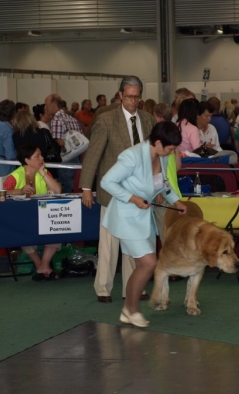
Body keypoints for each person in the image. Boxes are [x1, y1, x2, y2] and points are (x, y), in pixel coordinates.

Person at [100, 121, 187, 328]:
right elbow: (106, 182)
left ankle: (128, 310)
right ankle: (131, 309)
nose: (173, 152)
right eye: (171, 148)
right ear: (157, 143)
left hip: (143, 219)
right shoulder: (131, 156)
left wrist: (177, 201)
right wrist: (133, 198)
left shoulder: (162, 157)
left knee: (144, 265)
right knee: (149, 263)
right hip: (126, 216)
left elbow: (164, 184)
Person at [79, 75, 156, 304]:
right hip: (113, 192)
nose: (133, 101)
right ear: (120, 95)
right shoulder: (105, 120)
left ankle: (133, 287)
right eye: (129, 96)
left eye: (137, 97)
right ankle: (103, 288)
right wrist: (85, 188)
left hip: (140, 191)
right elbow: (93, 155)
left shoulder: (148, 119)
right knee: (109, 243)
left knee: (136, 241)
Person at [3, 143, 62, 281]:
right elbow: (1, 192)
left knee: (59, 227)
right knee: (23, 232)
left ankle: (43, 266)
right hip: (23, 218)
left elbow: (57, 190)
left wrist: (42, 172)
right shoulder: (15, 176)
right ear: (27, 160)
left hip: (45, 215)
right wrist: (19, 191)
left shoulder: (46, 172)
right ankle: (40, 265)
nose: (42, 157)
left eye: (41, 154)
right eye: (37, 156)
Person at [45, 93, 84, 193]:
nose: (45, 108)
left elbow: (59, 142)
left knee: (65, 187)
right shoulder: (71, 118)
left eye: (46, 105)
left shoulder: (56, 119)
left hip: (65, 158)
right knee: (74, 185)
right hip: (76, 157)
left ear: (53, 105)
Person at [13, 109, 61, 178]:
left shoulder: (16, 136)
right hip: (46, 168)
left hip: (26, 170)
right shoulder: (44, 132)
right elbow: (57, 148)